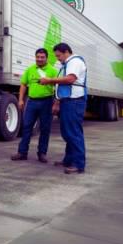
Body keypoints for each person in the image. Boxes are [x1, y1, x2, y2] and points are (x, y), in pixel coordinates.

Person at [40, 43, 88, 174]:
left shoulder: (75, 62)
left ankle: (78, 164)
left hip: (74, 101)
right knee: (68, 132)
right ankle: (69, 160)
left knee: (73, 132)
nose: (58, 59)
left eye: (59, 56)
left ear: (66, 52)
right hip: (68, 101)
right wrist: (58, 102)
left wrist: (49, 80)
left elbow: (70, 79)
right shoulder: (67, 64)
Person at [11, 48, 59, 163]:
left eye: (42, 57)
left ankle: (42, 153)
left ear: (47, 58)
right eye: (38, 57)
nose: (39, 59)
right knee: (26, 127)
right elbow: (23, 84)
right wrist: (20, 100)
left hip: (47, 102)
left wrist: (56, 103)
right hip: (31, 102)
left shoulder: (53, 71)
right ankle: (22, 153)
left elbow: (58, 87)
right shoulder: (30, 69)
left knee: (45, 129)